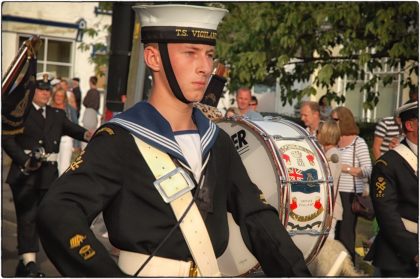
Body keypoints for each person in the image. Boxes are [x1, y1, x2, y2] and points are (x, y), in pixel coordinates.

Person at [37, 4, 311, 277]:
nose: (205, 67)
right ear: (154, 58)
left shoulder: (217, 141)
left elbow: (256, 216)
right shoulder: (119, 139)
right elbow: (58, 212)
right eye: (190, 53)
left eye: (209, 54)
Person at [2, 73, 93, 277]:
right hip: (26, 173)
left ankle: (25, 262)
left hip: (49, 176)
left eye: (47, 90)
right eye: (40, 90)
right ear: (33, 92)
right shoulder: (21, 113)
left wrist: (90, 134)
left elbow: (74, 130)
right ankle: (30, 264)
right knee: (27, 218)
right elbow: (7, 140)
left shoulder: (57, 114)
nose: (44, 93)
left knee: (47, 218)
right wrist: (24, 160)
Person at [366, 101, 418, 277]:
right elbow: (387, 214)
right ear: (410, 125)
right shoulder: (387, 164)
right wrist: (414, 251)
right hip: (400, 257)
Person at [330, 106, 372, 263]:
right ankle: (334, 265)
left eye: (335, 120)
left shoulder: (357, 142)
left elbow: (368, 170)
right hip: (333, 192)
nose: (332, 122)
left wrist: (345, 168)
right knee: (333, 233)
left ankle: (348, 267)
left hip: (349, 193)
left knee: (346, 234)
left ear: (344, 120)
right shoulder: (333, 140)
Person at [316, 120, 342, 239]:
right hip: (327, 202)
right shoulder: (328, 152)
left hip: (330, 202)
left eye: (319, 132)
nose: (317, 134)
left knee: (327, 239)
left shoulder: (332, 155)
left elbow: (327, 180)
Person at [50, 87, 81, 175]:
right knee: (52, 165)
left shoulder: (70, 109)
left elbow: (75, 125)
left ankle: (60, 186)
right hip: (52, 140)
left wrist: (76, 144)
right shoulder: (48, 108)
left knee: (64, 166)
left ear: (64, 98)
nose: (59, 98)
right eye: (57, 95)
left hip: (66, 140)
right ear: (53, 96)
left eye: (61, 96)